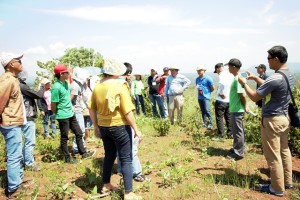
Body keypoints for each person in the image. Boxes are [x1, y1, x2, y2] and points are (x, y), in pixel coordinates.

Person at [238, 46, 294, 197]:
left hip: (272, 120)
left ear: (276, 59)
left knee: (273, 155)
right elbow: (274, 87)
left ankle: (277, 188)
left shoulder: (275, 77)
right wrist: (256, 78)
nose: (267, 62)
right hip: (284, 118)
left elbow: (255, 97)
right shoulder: (288, 74)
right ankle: (287, 181)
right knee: (284, 150)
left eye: (268, 58)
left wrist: (244, 83)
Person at [88, 58, 142, 200]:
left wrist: (95, 126)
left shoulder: (98, 86)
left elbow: (91, 108)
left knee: (109, 156)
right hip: (120, 127)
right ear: (116, 72)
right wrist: (136, 129)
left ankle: (106, 185)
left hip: (104, 127)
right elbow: (127, 111)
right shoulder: (120, 85)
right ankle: (129, 193)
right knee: (126, 158)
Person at [51, 64, 95, 164]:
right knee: (64, 137)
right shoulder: (56, 87)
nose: (69, 74)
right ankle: (67, 158)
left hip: (71, 113)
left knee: (79, 133)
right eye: (67, 72)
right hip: (63, 115)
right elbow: (53, 105)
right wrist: (58, 113)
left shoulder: (66, 83)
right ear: (61, 74)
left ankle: (83, 153)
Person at [0, 53, 28, 197]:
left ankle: (17, 180)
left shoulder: (13, 79)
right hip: (10, 123)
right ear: (11, 64)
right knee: (14, 156)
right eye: (18, 60)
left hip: (14, 121)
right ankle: (13, 188)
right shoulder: (8, 80)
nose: (21, 62)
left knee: (16, 155)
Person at [18, 70, 45, 171]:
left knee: (20, 141)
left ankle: (22, 161)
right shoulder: (22, 86)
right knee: (29, 141)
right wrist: (42, 86)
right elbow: (38, 95)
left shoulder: (17, 84)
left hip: (20, 116)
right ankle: (28, 163)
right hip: (27, 117)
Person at [225, 58, 247, 161]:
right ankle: (237, 148)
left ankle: (239, 153)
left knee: (238, 131)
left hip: (238, 110)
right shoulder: (236, 77)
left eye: (229, 66)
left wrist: (245, 106)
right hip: (234, 109)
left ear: (233, 67)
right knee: (236, 131)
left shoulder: (238, 78)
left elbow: (242, 95)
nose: (228, 68)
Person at [70, 67, 90, 155]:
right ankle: (77, 148)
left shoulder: (78, 85)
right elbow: (70, 99)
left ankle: (79, 147)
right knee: (80, 130)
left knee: (80, 130)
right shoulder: (75, 85)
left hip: (79, 109)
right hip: (76, 110)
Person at [213, 63, 233, 139]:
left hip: (221, 100)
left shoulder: (222, 75)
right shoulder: (230, 74)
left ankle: (221, 135)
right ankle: (230, 134)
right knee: (228, 117)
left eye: (216, 71)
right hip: (229, 100)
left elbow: (221, 84)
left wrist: (220, 93)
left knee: (219, 118)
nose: (217, 73)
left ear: (218, 69)